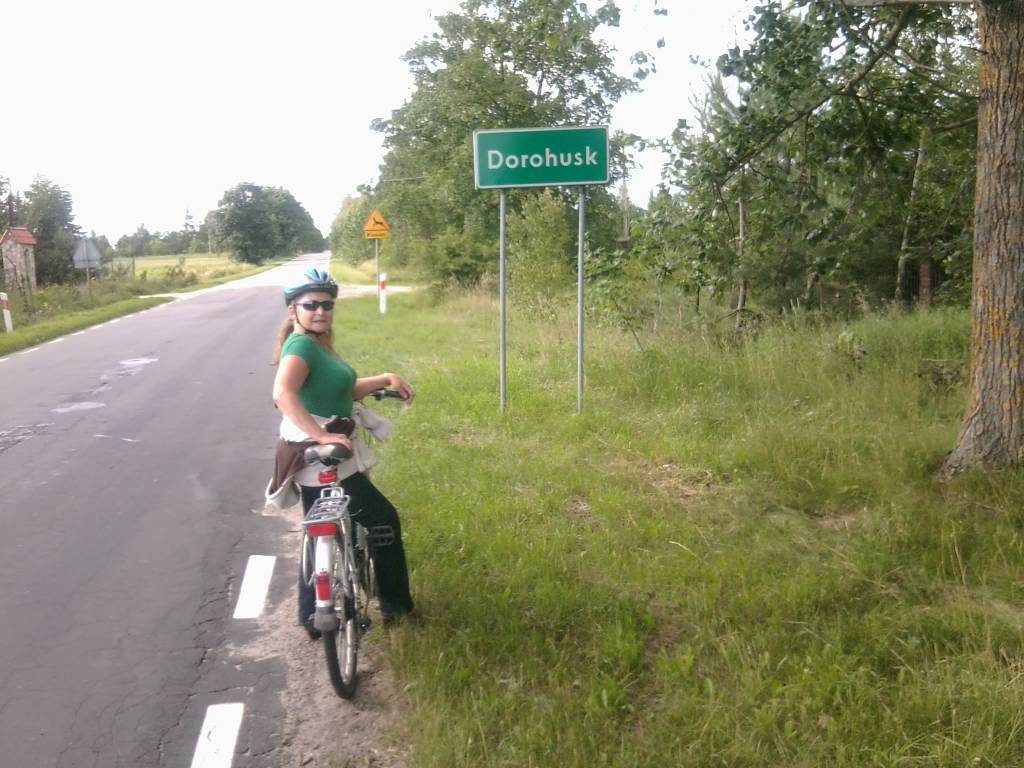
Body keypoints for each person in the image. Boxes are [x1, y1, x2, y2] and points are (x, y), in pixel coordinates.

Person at [271, 268, 415, 637]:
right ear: (293, 310)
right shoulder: (302, 346)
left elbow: (344, 390)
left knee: (317, 526)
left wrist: (385, 379)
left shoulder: (317, 345)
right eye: (311, 305)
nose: (321, 311)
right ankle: (396, 608)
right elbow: (283, 394)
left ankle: (310, 615)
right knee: (383, 521)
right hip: (326, 452)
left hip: (313, 456)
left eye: (327, 304)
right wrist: (321, 435)